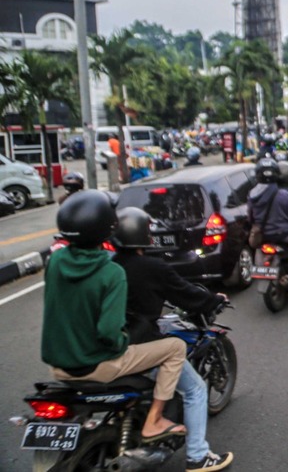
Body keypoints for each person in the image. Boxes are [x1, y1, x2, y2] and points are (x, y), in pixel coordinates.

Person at [41, 190, 188, 443]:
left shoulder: (55, 262)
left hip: (58, 366)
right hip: (97, 365)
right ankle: (154, 420)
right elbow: (109, 333)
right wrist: (125, 341)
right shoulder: (111, 272)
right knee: (176, 347)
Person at [111, 207, 234, 471]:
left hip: (108, 345)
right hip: (138, 345)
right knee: (195, 389)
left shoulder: (110, 265)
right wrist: (213, 300)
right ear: (145, 235)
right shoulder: (151, 267)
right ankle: (198, 455)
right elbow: (185, 294)